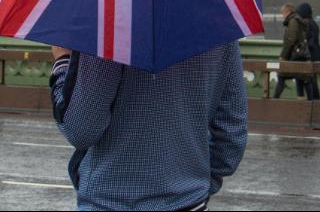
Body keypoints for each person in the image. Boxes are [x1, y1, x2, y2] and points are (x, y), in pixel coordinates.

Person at [50, 42, 248, 211]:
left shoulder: (110, 25)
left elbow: (80, 130)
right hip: (190, 200)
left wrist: (62, 62)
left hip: (110, 200)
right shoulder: (219, 26)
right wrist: (199, 185)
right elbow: (232, 133)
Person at [273, 3, 313, 100]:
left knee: (281, 76)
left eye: (283, 13)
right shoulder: (298, 20)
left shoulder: (293, 21)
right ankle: (311, 102)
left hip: (295, 55)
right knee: (305, 78)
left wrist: (283, 55)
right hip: (302, 55)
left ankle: (274, 101)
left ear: (287, 12)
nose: (282, 16)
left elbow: (290, 39)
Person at [295, 3, 320, 101]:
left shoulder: (307, 24)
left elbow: (308, 41)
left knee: (310, 80)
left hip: (310, 56)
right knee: (311, 79)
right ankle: (315, 100)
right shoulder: (314, 23)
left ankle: (313, 100)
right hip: (316, 55)